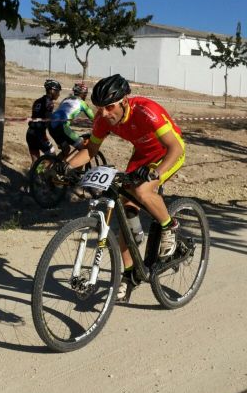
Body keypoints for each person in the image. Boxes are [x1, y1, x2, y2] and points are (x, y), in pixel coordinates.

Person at [58, 74, 186, 303]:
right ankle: (129, 276)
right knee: (127, 217)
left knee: (143, 191)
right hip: (142, 156)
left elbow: (174, 147)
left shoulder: (147, 111)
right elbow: (91, 150)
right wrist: (66, 166)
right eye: (100, 108)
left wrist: (155, 173)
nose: (105, 113)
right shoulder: (102, 119)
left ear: (124, 101)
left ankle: (170, 226)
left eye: (110, 107)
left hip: (167, 153)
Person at [47, 82, 94, 160]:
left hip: (51, 125)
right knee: (83, 149)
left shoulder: (66, 99)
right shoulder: (82, 103)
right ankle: (74, 167)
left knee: (66, 150)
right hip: (61, 126)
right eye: (85, 94)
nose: (85, 96)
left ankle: (52, 166)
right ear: (82, 94)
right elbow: (93, 118)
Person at [26, 79, 61, 163]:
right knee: (52, 156)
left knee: (35, 161)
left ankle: (35, 171)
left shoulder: (38, 101)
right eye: (57, 91)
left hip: (30, 133)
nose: (59, 94)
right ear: (52, 90)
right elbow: (49, 122)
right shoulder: (49, 103)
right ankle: (42, 171)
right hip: (39, 134)